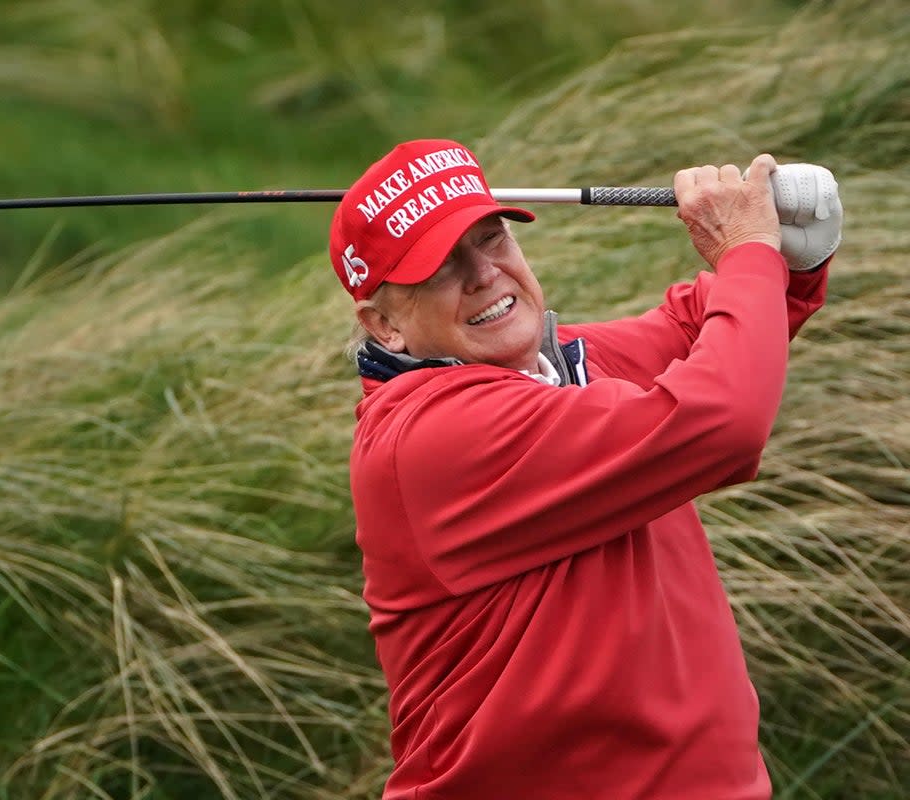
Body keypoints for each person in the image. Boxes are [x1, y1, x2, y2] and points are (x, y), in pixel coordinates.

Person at [328, 139, 841, 799]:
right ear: (384, 326)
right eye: (440, 268)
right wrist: (746, 248)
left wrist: (793, 262)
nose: (484, 274)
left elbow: (706, 327)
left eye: (491, 240)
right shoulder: (433, 435)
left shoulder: (562, 365)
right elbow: (723, 420)